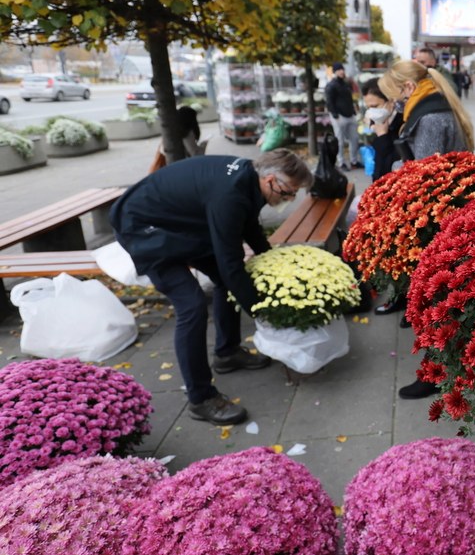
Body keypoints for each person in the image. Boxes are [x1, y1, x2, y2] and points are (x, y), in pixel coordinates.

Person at [109, 150, 314, 426]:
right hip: (143, 226)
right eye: (288, 192)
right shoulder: (229, 195)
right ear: (269, 180)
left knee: (224, 281)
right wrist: (262, 310)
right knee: (192, 305)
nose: (288, 200)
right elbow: (231, 263)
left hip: (182, 222)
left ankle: (227, 353)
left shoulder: (248, 181)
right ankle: (201, 398)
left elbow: (248, 226)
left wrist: (274, 262)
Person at [377, 59, 475, 399]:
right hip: (449, 214)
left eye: (394, 97)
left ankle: (436, 370)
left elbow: (426, 177)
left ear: (408, 88)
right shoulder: (435, 106)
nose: (394, 105)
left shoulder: (429, 117)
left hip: (438, 220)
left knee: (436, 296)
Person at [360, 77, 402, 182]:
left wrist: (383, 136)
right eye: (368, 108)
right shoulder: (379, 123)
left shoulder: (402, 124)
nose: (371, 112)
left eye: (374, 106)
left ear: (391, 101)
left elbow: (394, 166)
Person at [325, 62, 359, 171]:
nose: (342, 71)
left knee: (354, 138)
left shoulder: (346, 84)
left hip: (350, 115)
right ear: (335, 72)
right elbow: (329, 102)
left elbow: (351, 98)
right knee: (339, 141)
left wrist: (354, 111)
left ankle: (354, 161)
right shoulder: (331, 85)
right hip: (339, 116)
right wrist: (335, 115)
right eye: (339, 70)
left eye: (342, 69)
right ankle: (341, 162)